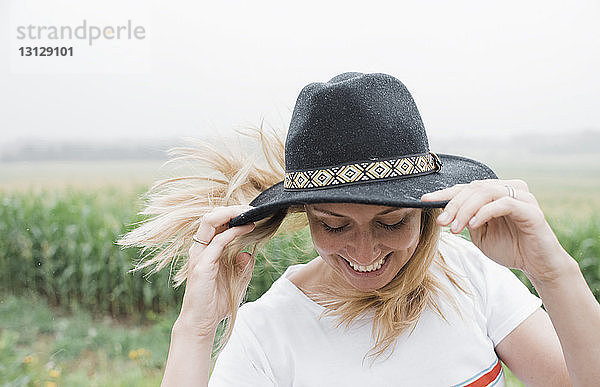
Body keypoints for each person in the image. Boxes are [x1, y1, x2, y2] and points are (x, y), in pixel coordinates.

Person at [118, 72, 600, 386]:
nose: (364, 249)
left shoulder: (467, 273)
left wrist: (551, 268)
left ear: (427, 213)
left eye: (391, 221)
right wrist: (195, 330)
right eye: (334, 225)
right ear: (306, 218)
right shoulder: (266, 334)